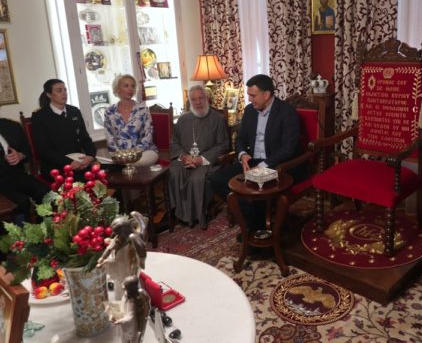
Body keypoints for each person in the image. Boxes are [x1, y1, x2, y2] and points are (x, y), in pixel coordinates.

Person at [209, 74, 303, 234]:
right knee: (216, 179)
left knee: (259, 190)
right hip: (251, 161)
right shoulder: (250, 111)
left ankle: (257, 231)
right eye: (249, 95)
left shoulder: (287, 112)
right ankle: (251, 217)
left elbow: (289, 148)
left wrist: (263, 165)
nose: (250, 100)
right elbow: (240, 139)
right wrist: (242, 154)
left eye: (253, 95)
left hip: (277, 164)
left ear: (266, 95)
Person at [168, 84, 230, 228]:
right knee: (174, 172)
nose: (198, 102)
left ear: (207, 98)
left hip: (207, 161)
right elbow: (174, 143)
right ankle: (178, 213)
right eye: (194, 99)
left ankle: (197, 216)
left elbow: (223, 145)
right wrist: (184, 157)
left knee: (197, 178)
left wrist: (200, 159)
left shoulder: (218, 119)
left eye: (201, 98)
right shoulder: (183, 120)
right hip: (186, 159)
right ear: (190, 102)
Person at [32, 79, 96, 181]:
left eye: (65, 90)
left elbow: (85, 138)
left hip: (80, 162)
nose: (64, 93)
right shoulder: (40, 116)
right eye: (59, 90)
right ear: (49, 94)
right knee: (85, 182)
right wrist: (69, 163)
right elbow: (44, 149)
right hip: (56, 166)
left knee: (108, 173)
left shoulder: (74, 111)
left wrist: (90, 156)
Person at [0, 117, 49, 224]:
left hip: (17, 175)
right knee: (21, 201)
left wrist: (20, 155)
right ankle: (23, 231)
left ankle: (44, 226)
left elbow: (28, 153)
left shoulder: (13, 126)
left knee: (44, 191)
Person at [103, 74, 158, 166]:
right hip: (120, 154)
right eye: (126, 86)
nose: (130, 89)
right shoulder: (109, 112)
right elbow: (109, 138)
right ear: (117, 89)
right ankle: (125, 164)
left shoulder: (143, 109)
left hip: (144, 152)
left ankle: (127, 165)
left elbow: (148, 135)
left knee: (137, 162)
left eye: (132, 86)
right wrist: (120, 155)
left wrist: (133, 154)